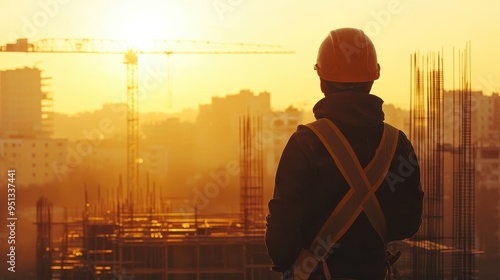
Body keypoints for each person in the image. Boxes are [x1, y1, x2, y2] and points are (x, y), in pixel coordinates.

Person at [265, 27, 424, 280]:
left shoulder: (305, 143)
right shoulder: (397, 143)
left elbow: (281, 234)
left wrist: (298, 262)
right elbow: (408, 222)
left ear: (322, 81)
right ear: (373, 79)